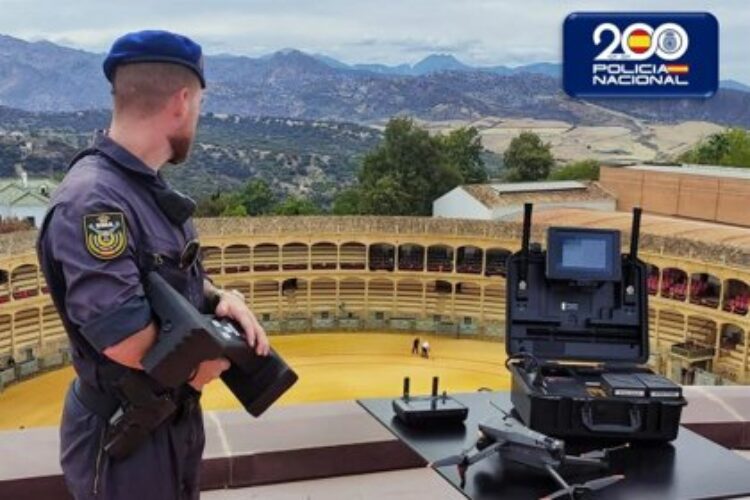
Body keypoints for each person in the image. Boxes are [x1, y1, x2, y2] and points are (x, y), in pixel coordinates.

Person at [37, 30, 270, 500]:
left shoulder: (142, 190)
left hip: (165, 423)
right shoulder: (95, 202)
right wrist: (194, 371)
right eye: (199, 106)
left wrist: (220, 299)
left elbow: (166, 283)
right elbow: (123, 335)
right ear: (183, 102)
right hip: (128, 439)